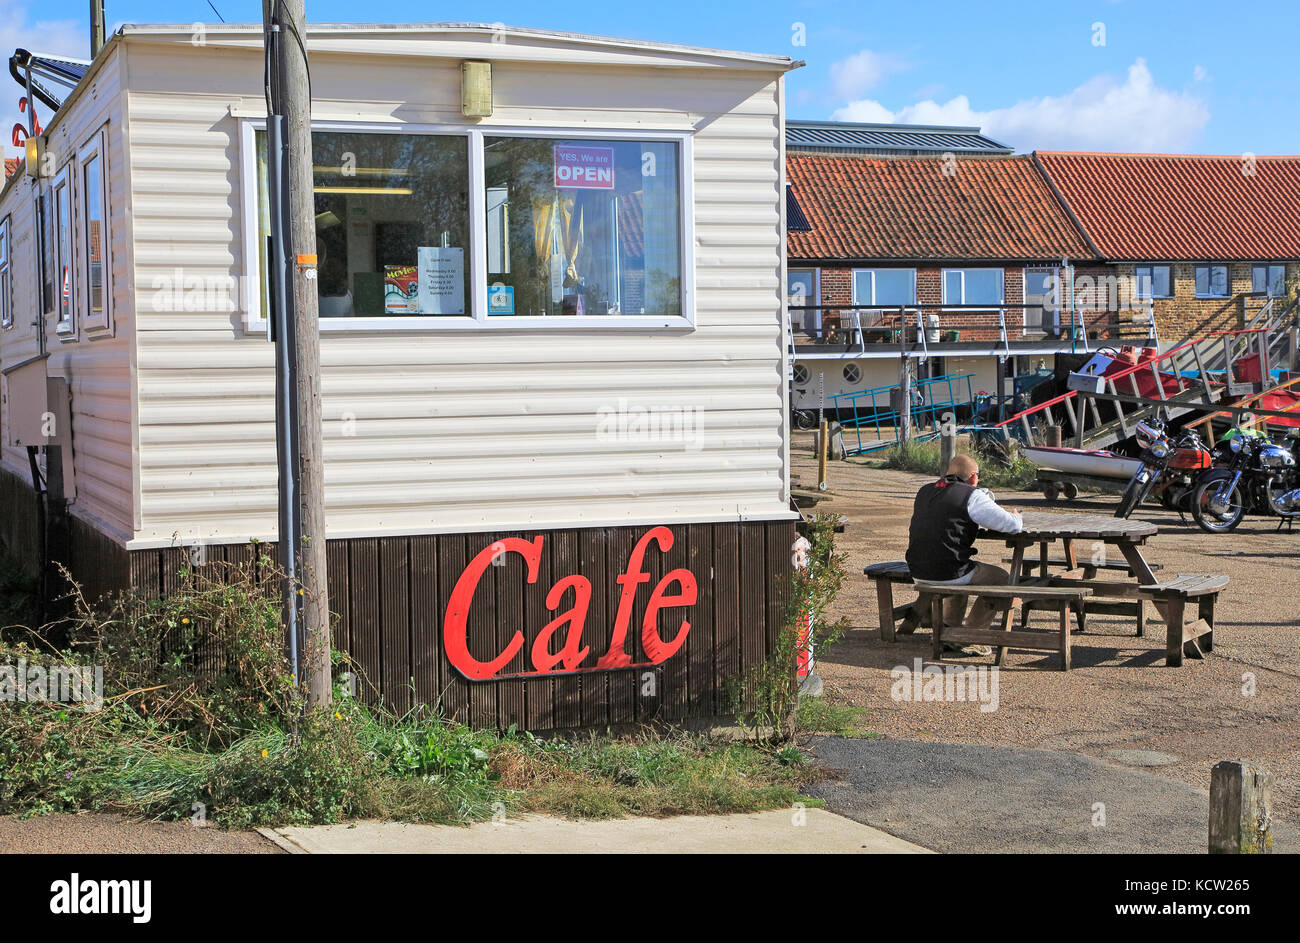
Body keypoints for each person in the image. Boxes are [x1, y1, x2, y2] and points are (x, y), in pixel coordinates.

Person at [906, 454, 1023, 655]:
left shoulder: (925, 491)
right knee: (1000, 578)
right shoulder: (971, 496)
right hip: (949, 571)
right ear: (974, 477)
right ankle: (971, 637)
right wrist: (1016, 515)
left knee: (959, 570)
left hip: (917, 569)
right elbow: (1012, 525)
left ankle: (948, 634)